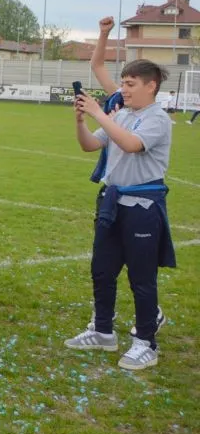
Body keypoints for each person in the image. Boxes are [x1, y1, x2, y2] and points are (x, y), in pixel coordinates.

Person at [66, 61, 175, 370]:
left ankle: (145, 342)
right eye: (124, 83)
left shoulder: (158, 120)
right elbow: (90, 145)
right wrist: (80, 122)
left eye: (130, 84)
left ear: (151, 85)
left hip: (142, 207)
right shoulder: (122, 115)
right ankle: (102, 331)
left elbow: (131, 145)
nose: (123, 89)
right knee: (102, 270)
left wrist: (99, 113)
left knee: (142, 278)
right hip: (112, 204)